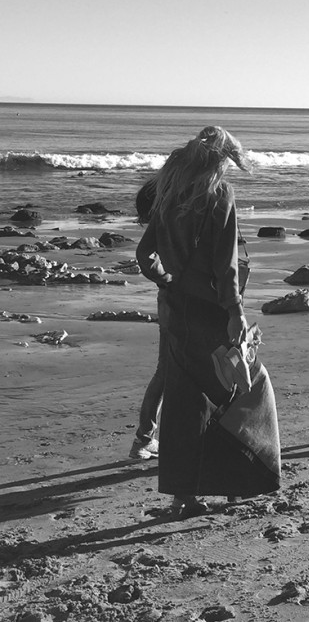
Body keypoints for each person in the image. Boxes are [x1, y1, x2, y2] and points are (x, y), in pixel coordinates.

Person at [136, 126, 280, 517]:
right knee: (244, 389)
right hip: (213, 310)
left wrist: (167, 280)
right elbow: (226, 264)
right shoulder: (219, 194)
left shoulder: (169, 194)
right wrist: (235, 310)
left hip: (177, 309)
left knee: (183, 402)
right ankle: (238, 482)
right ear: (221, 161)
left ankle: (183, 497)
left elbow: (145, 254)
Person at [128, 177, 166, 460]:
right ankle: (145, 438)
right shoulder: (171, 218)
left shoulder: (165, 220)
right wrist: (168, 279)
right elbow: (144, 254)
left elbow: (146, 254)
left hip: (171, 299)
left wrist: (165, 280)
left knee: (165, 372)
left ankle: (145, 437)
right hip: (183, 299)